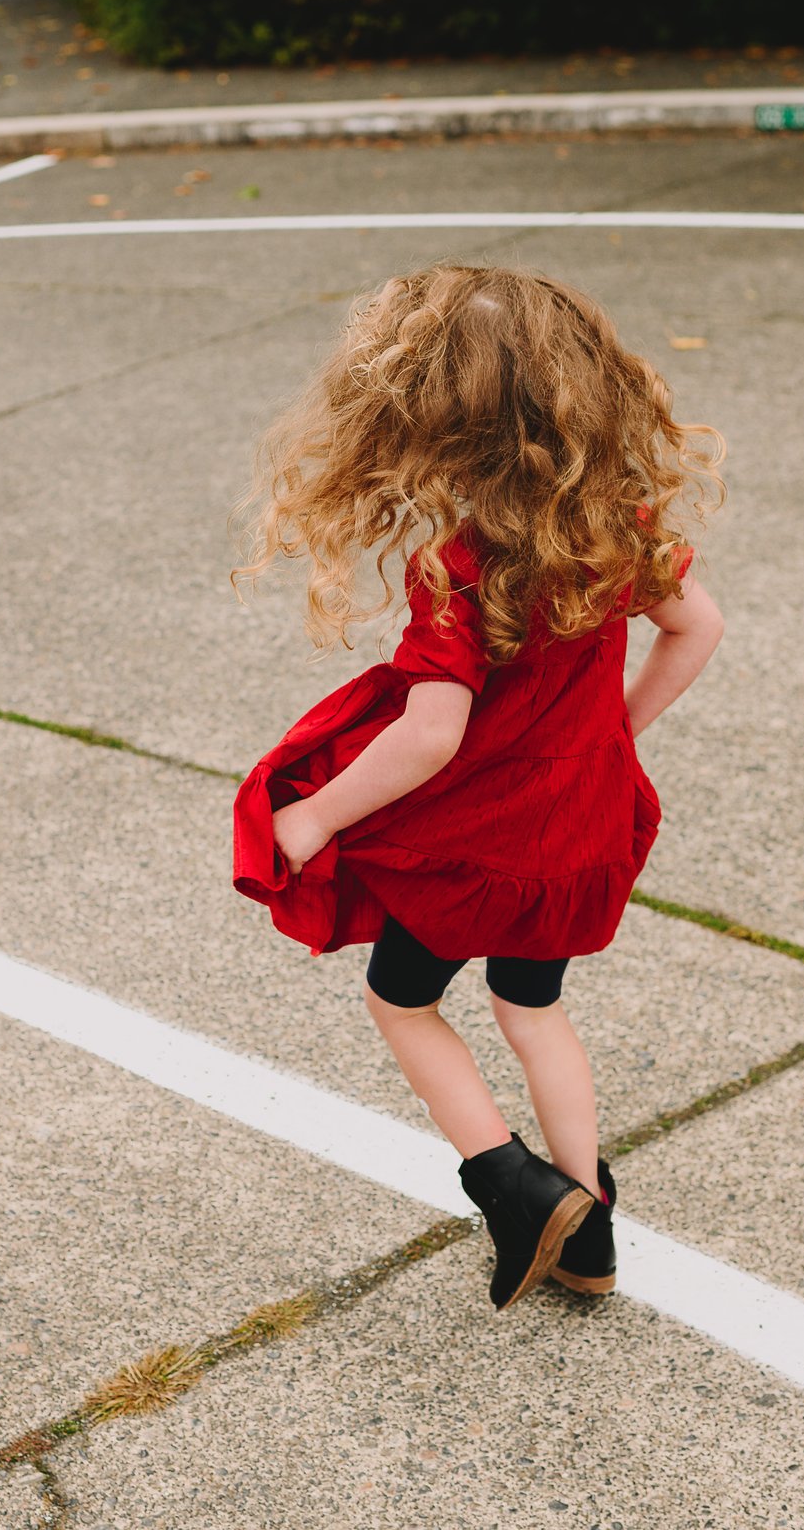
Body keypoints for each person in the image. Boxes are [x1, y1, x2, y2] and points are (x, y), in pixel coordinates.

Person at [232, 264, 725, 1309]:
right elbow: (697, 628)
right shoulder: (619, 525)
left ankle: (506, 1181)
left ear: (438, 425)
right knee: (531, 1006)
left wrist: (313, 814)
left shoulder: (463, 565)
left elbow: (428, 737)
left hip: (480, 850)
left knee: (402, 999)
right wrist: (612, 736)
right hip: (584, 826)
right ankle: (587, 1220)